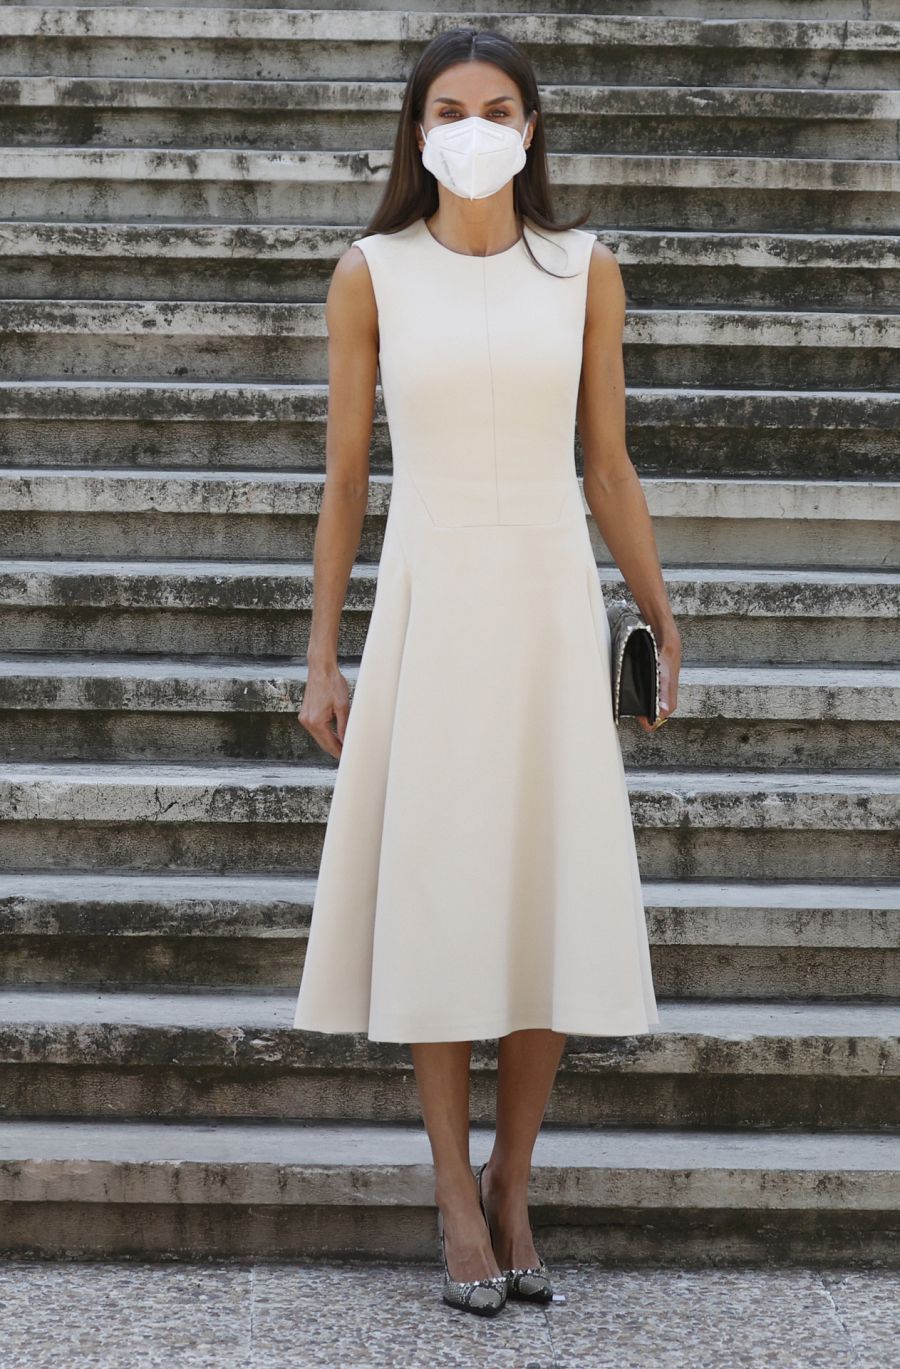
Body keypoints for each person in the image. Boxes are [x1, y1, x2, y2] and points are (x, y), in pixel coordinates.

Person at [293, 26, 682, 1316]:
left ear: (530, 129)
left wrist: (657, 611)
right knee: (447, 895)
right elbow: (347, 477)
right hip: (429, 600)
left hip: (546, 604)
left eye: (497, 104)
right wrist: (323, 655)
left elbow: (608, 462)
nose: (473, 123)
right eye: (449, 105)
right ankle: (452, 1189)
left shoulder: (584, 269)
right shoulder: (372, 272)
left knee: (544, 888)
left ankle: (515, 1178)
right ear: (419, 133)